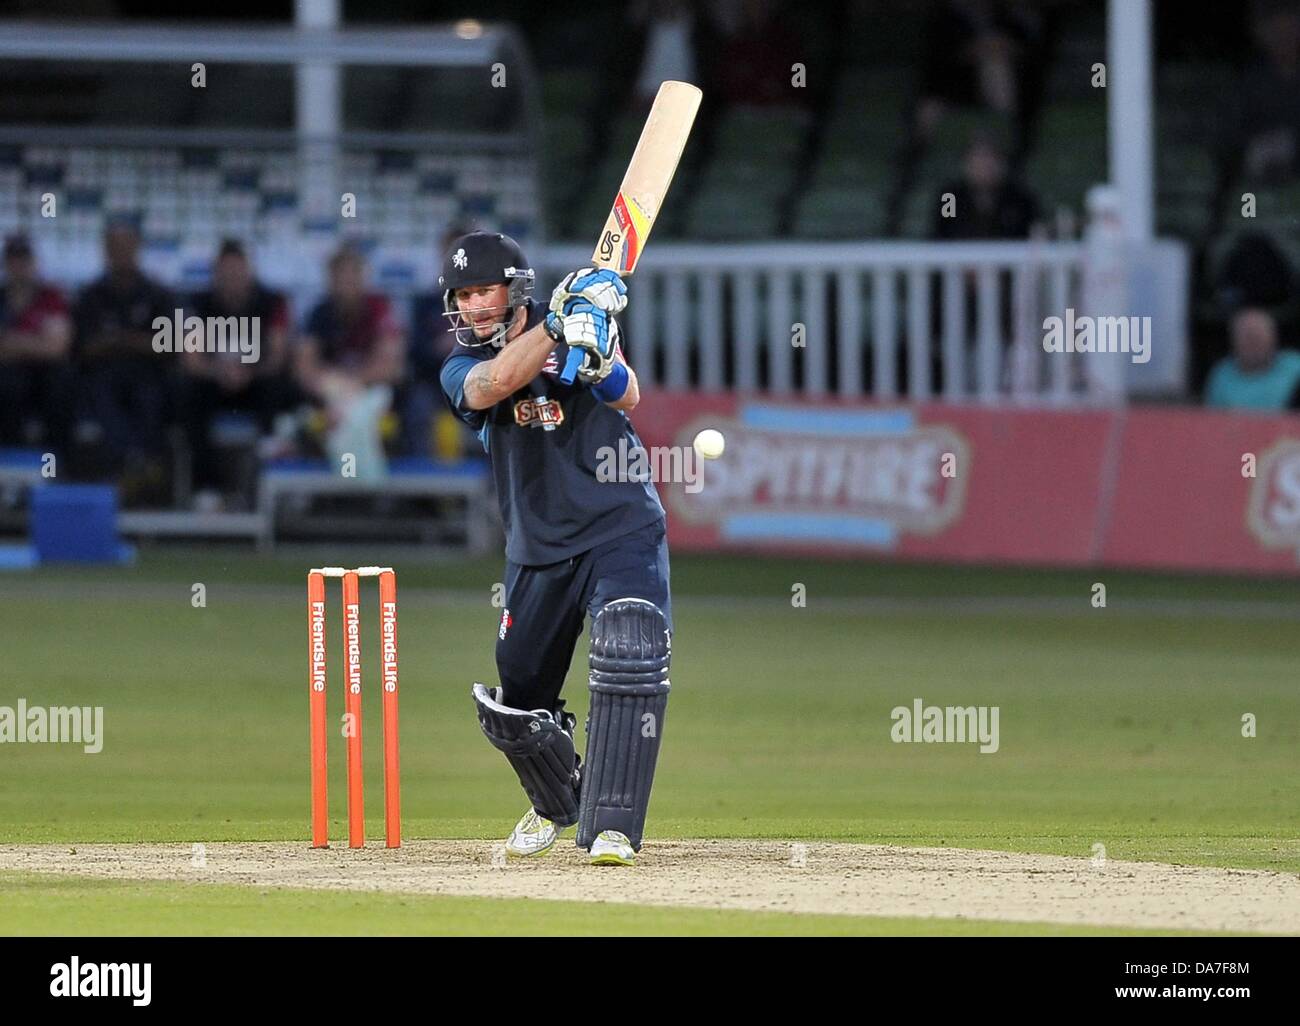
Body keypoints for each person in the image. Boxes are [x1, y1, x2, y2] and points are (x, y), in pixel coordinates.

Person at [438, 231, 671, 868]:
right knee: (515, 707)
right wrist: (559, 325)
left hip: (618, 524)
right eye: (461, 295)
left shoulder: (578, 319)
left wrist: (593, 350)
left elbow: (626, 393)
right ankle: (556, 803)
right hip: (536, 548)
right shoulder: (459, 366)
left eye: (481, 290)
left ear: (514, 290)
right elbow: (492, 385)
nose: (470, 305)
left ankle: (614, 825)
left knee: (630, 647)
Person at [179, 239, 295, 508]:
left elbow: (278, 354)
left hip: (257, 384)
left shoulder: (271, 302)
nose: (232, 279)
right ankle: (206, 490)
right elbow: (191, 359)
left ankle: (271, 483)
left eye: (238, 272)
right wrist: (219, 372)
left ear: (249, 272)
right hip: (214, 385)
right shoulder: (198, 304)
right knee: (188, 392)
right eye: (226, 273)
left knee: (280, 386)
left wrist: (248, 372)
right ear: (216, 274)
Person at [73, 220, 176, 486]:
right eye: (115, 247)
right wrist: (133, 341)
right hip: (103, 374)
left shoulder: (158, 295)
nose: (122, 253)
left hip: (147, 373)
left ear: (138, 249)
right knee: (101, 392)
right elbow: (84, 347)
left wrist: (120, 340)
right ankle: (125, 466)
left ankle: (145, 468)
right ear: (106, 251)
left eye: (127, 246)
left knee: (151, 394)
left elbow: (168, 344)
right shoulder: (90, 296)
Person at [295, 246, 404, 478]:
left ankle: (369, 484)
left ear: (362, 278)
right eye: (340, 278)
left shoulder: (379, 309)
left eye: (352, 277)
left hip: (371, 391)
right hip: (331, 393)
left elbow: (390, 364)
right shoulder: (319, 313)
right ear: (330, 281)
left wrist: (353, 383)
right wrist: (331, 385)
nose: (346, 285)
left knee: (367, 408)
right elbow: (304, 367)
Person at [0, 235, 74, 458]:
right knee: (9, 383)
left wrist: (11, 342)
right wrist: (35, 341)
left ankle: (56, 460)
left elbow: (57, 347)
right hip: (9, 376)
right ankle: (9, 461)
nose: (19, 266)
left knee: (62, 380)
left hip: (45, 376)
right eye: (14, 259)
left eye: (24, 259)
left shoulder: (51, 296)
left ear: (34, 262)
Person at [1204, 307, 1300, 411]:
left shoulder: (1295, 367)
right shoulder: (1222, 373)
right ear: (1233, 341)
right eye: (1248, 338)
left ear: (1274, 338)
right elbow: (1212, 419)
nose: (1254, 345)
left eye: (1259, 337)